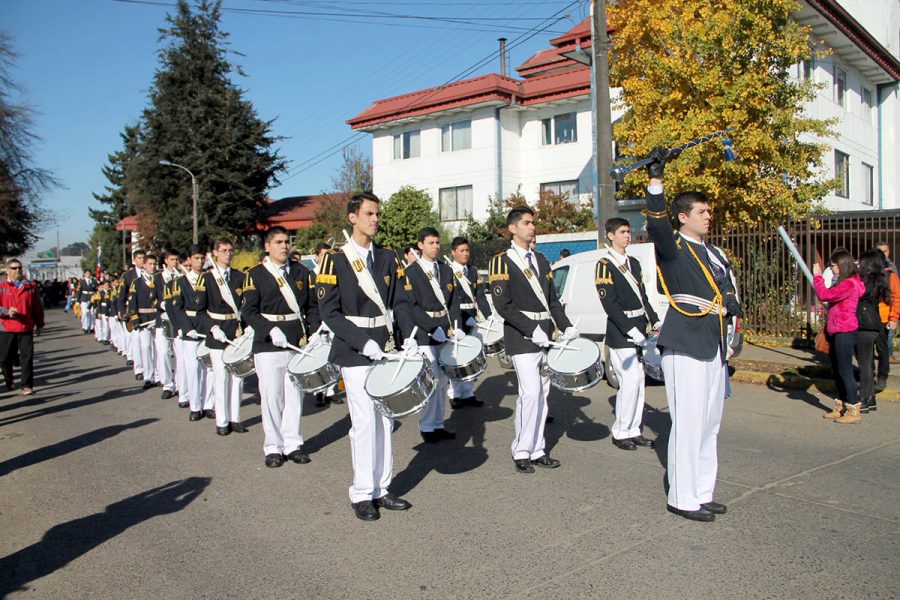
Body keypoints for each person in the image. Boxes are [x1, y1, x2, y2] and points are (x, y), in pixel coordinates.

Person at [643, 148, 741, 522]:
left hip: (713, 342)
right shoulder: (674, 247)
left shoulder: (714, 252)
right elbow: (655, 225)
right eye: (701, 211)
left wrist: (732, 308)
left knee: (710, 422)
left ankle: (703, 490)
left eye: (709, 210)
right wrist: (656, 180)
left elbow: (725, 287)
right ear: (683, 217)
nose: (708, 215)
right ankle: (683, 498)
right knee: (688, 422)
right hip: (684, 341)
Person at [317, 192, 416, 521]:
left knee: (384, 419)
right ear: (352, 218)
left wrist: (408, 336)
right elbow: (330, 313)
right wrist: (362, 342)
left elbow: (400, 302)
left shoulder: (388, 257)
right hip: (354, 349)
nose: (375, 219)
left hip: (385, 345)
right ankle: (362, 492)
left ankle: (382, 488)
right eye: (369, 214)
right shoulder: (335, 259)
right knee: (362, 421)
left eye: (377, 214)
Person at [490, 206, 576, 474]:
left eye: (533, 222)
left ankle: (538, 448)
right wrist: (531, 329)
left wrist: (566, 326)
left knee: (544, 393)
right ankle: (522, 450)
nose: (532, 227)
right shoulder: (501, 261)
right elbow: (503, 305)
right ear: (513, 228)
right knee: (530, 393)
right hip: (522, 335)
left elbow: (552, 301)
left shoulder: (541, 259)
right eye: (526, 223)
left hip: (546, 333)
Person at [242, 226, 320, 468]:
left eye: (287, 242)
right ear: (267, 246)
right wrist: (268, 329)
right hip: (268, 344)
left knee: (294, 396)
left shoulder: (301, 271)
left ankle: (293, 444)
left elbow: (312, 307)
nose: (284, 246)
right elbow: (249, 311)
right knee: (272, 397)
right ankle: (273, 446)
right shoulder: (255, 274)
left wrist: (317, 331)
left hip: (296, 341)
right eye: (278, 242)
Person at [596, 217, 661, 450]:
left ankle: (634, 429)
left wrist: (654, 319)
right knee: (630, 381)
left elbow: (643, 297)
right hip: (620, 332)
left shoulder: (634, 262)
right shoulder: (604, 264)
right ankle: (620, 431)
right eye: (622, 231)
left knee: (640, 381)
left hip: (639, 329)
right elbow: (610, 304)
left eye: (628, 231)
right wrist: (630, 329)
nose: (627, 235)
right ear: (611, 235)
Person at [403, 226, 463, 443]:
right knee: (432, 379)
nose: (436, 247)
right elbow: (413, 306)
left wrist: (455, 325)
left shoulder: (446, 270)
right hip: (424, 334)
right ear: (420, 245)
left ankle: (439, 423)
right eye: (431, 243)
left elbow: (453, 301)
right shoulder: (412, 272)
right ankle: (427, 426)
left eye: (437, 243)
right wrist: (431, 327)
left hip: (445, 330)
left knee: (444, 379)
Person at [197, 238, 247, 436]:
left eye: (230, 250)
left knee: (238, 377)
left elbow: (246, 305)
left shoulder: (239, 276)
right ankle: (222, 421)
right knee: (221, 377)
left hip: (236, 331)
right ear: (215, 253)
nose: (228, 254)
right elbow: (200, 311)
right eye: (224, 250)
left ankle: (235, 418)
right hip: (217, 332)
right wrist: (212, 327)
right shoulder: (207, 278)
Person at [813, 248, 865, 423]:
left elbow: (824, 294)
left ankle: (853, 409)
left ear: (842, 265)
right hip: (837, 330)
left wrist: (818, 277)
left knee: (845, 370)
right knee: (837, 370)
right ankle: (841, 405)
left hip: (845, 331)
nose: (832, 268)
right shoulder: (844, 282)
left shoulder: (849, 284)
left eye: (834, 265)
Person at [446, 236, 493, 409]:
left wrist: (489, 315)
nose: (465, 254)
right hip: (456, 317)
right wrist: (464, 318)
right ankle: (454, 393)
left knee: (472, 355)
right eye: (461, 251)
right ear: (453, 252)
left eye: (467, 250)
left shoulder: (473, 271)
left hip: (472, 316)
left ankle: (468, 392)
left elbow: (480, 295)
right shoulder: (448, 270)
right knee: (457, 356)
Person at [168, 246, 214, 421]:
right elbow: (176, 308)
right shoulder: (181, 282)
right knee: (193, 368)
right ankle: (195, 406)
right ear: (189, 260)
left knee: (209, 368)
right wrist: (186, 328)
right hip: (190, 328)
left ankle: (208, 404)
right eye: (196, 258)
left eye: (202, 258)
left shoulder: (209, 279)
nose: (200, 261)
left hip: (206, 326)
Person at [0, 259, 44, 395]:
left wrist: (40, 323)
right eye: (13, 268)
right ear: (8, 270)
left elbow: (37, 307)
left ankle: (26, 385)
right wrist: (6, 311)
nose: (17, 270)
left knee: (27, 357)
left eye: (19, 267)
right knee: (4, 358)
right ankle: (9, 378)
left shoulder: (30, 286)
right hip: (6, 327)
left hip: (26, 326)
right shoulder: (2, 286)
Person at [855, 249, 890, 414]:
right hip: (872, 323)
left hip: (865, 324)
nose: (858, 263)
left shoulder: (867, 281)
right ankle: (870, 398)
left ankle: (863, 399)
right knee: (867, 363)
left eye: (861, 261)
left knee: (865, 365)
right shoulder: (878, 279)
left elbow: (858, 294)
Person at [311, 241, 341, 407]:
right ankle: (319, 392)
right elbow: (312, 304)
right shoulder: (311, 275)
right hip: (319, 324)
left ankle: (331, 390)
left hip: (334, 322)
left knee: (334, 358)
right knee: (319, 358)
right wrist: (316, 327)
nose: (326, 259)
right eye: (323, 255)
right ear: (316, 257)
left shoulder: (335, 273)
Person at [127, 254, 160, 390]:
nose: (152, 267)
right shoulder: (137, 282)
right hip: (143, 319)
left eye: (154, 264)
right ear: (144, 265)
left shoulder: (159, 280)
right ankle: (148, 376)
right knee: (146, 347)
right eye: (150, 264)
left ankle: (159, 375)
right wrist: (135, 319)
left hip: (156, 318)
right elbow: (132, 302)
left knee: (159, 348)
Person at [154, 250, 179, 400]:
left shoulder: (181, 277)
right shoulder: (158, 278)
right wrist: (161, 303)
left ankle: (179, 382)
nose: (175, 262)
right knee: (163, 352)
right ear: (166, 261)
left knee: (178, 354)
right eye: (172, 259)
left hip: (177, 319)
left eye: (176, 259)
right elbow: (152, 298)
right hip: (162, 318)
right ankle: (168, 384)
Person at [875, 249, 900, 391]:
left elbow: (896, 298)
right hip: (869, 318)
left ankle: (882, 377)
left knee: (882, 350)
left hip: (884, 318)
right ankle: (868, 376)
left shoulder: (891, 276)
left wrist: (894, 317)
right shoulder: (870, 275)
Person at [120, 250, 146, 378]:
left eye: (143, 257)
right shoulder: (127, 276)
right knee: (136, 341)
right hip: (133, 311)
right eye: (140, 258)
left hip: (147, 312)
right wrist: (121, 311)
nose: (142, 260)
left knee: (148, 345)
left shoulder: (152, 273)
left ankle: (150, 370)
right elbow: (122, 295)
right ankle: (139, 369)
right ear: (134, 260)